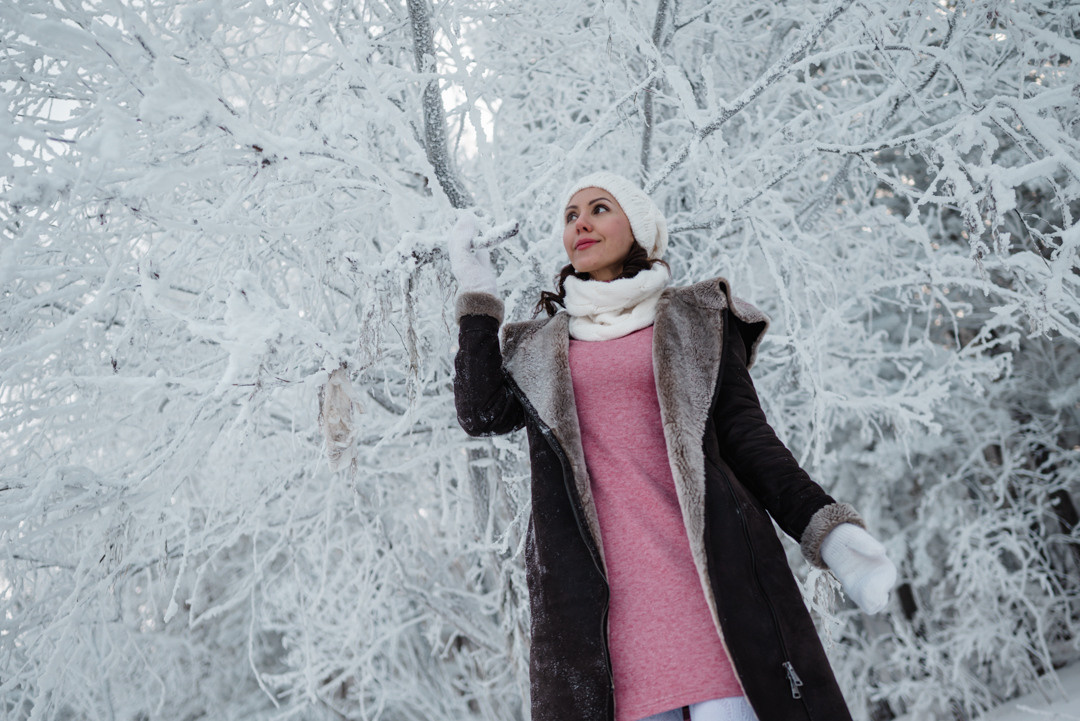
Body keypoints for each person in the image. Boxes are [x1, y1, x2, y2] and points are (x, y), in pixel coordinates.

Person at [448, 171, 896, 721]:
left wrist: (828, 532)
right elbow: (480, 412)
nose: (581, 223)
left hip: (718, 606)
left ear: (638, 226)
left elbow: (750, 441)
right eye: (570, 216)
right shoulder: (540, 349)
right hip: (604, 636)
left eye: (599, 208)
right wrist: (476, 296)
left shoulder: (695, 320)